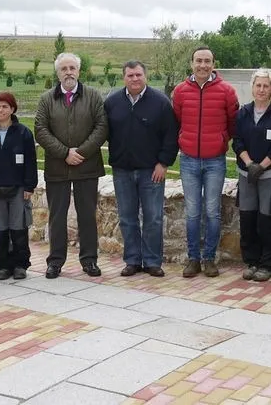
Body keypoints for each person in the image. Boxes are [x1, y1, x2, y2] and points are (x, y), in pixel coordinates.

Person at [35, 52, 109, 279]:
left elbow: (102, 127)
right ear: (57, 73)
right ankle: (55, 262)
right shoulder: (47, 99)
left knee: (87, 215)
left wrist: (81, 152)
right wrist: (64, 153)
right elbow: (40, 129)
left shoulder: (94, 96)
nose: (68, 72)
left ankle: (89, 261)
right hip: (58, 168)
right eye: (64, 69)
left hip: (87, 167)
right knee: (57, 216)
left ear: (79, 71)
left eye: (72, 68)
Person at [104, 61, 179, 278]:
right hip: (122, 171)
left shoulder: (161, 102)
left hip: (151, 171)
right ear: (123, 78)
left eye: (138, 75)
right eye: (130, 75)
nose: (134, 79)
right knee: (127, 218)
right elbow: (105, 132)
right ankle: (133, 260)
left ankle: (153, 261)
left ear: (145, 76)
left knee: (153, 218)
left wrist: (163, 163)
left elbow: (170, 136)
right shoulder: (112, 103)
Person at [172, 46, 239, 278]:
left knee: (212, 211)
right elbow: (177, 120)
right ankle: (193, 259)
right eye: (198, 60)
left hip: (215, 161)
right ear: (192, 63)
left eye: (207, 61)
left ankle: (209, 258)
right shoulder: (180, 91)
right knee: (192, 212)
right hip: (189, 160)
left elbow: (233, 123)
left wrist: (221, 141)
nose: (203, 65)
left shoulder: (226, 91)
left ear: (213, 64)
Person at [233, 69, 271, 282]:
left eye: (266, 86)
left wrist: (263, 166)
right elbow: (237, 141)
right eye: (258, 85)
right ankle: (252, 261)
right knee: (248, 218)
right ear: (252, 87)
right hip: (247, 173)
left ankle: (268, 264)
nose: (262, 89)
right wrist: (249, 164)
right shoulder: (243, 113)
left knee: (267, 219)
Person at [0, 92, 38, 280]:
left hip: (18, 188)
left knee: (18, 227)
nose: (1, 110)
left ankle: (20, 264)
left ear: (12, 109)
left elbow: (31, 161)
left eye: (5, 106)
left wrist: (29, 186)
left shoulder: (23, 133)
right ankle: (4, 265)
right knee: (1, 229)